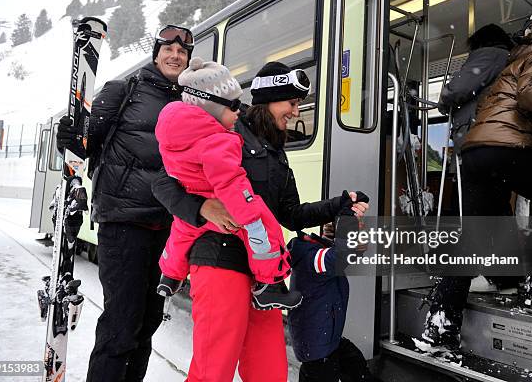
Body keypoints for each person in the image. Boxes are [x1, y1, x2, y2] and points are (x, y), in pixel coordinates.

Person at [152, 61, 368, 381]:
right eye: (292, 103)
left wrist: (337, 205)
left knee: (269, 369)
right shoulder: (226, 128)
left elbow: (291, 214)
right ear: (270, 100)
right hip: (219, 255)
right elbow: (162, 181)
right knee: (215, 367)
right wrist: (200, 208)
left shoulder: (278, 153)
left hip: (263, 270)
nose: (295, 112)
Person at [420, 5, 532, 349]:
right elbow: (530, 94)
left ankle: (441, 323)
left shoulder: (516, 57)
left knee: (473, 236)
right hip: (509, 147)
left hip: (477, 151)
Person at [56, 24, 201, 382]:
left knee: (148, 324)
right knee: (122, 323)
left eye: (182, 52)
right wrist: (72, 135)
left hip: (166, 227)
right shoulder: (125, 90)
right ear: (156, 53)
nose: (175, 55)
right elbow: (85, 143)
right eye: (168, 49)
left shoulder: (188, 101)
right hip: (123, 221)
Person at [155, 57, 301, 310]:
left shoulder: (177, 131)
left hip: (195, 204)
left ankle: (170, 276)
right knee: (265, 227)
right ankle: (269, 283)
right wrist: (250, 215)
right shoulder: (219, 139)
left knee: (180, 233)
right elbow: (231, 181)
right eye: (234, 105)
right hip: (223, 227)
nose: (239, 110)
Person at [288, 192, 380, 382]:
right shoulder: (311, 259)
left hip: (329, 341)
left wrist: (353, 221)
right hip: (316, 351)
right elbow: (341, 256)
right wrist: (346, 222)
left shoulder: (320, 251)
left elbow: (354, 251)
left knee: (355, 364)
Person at [437, 23, 514, 154]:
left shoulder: (489, 54)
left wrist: (444, 101)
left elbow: (458, 89)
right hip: (500, 133)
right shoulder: (509, 59)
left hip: (478, 132)